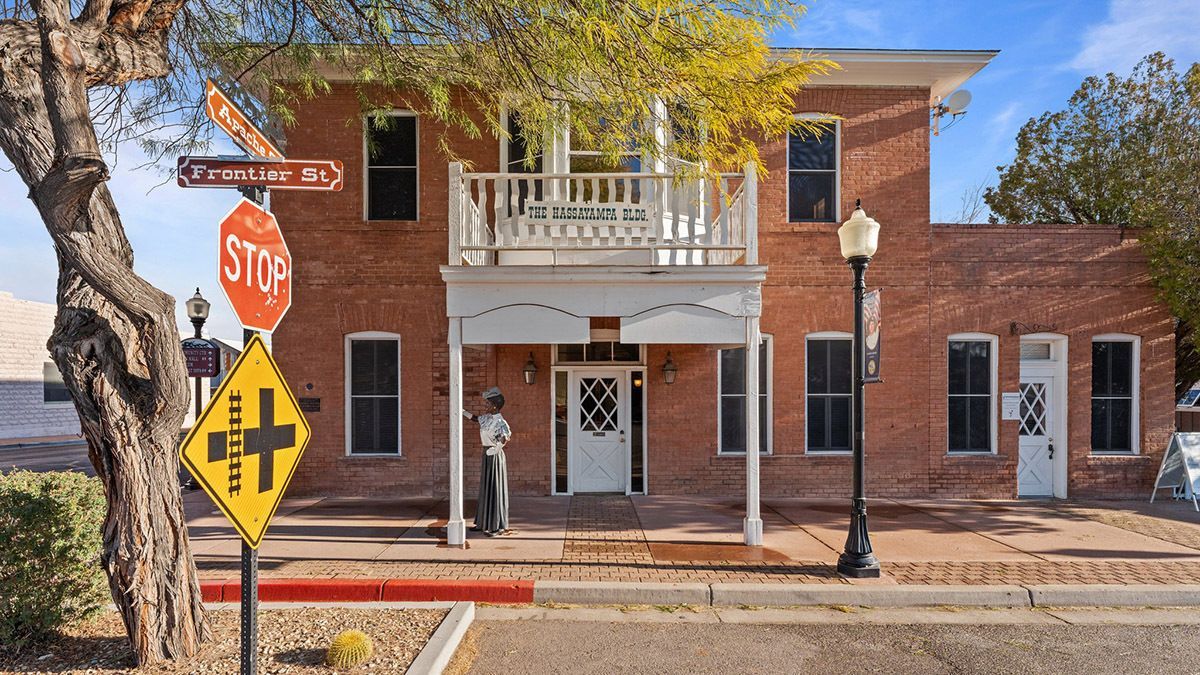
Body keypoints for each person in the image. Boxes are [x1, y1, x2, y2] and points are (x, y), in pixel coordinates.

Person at [464, 387, 512, 536]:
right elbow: (474, 419)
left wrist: (496, 449)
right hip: (486, 454)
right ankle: (483, 522)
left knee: (495, 488)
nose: (485, 406)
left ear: (495, 406)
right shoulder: (486, 418)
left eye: (488, 404)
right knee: (486, 487)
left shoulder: (500, 421)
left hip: (494, 456)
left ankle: (497, 526)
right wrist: (461, 411)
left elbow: (505, 437)